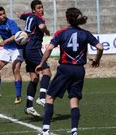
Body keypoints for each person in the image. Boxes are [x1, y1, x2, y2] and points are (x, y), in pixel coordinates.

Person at [35, 7, 103, 135]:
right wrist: (96, 60)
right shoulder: (86, 33)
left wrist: (41, 64)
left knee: (49, 97)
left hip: (65, 68)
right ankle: (74, 131)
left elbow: (49, 49)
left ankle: (45, 130)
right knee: (74, 99)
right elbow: (100, 47)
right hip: (79, 70)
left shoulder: (61, 33)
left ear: (67, 19)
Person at [16, 0, 51, 117]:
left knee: (34, 78)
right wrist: (47, 31)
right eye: (39, 8)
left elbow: (22, 15)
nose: (41, 10)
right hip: (34, 48)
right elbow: (42, 27)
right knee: (47, 72)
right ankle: (42, 98)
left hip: (26, 49)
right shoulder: (38, 18)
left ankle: (29, 106)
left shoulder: (28, 16)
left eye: (42, 7)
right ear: (34, 10)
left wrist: (19, 14)